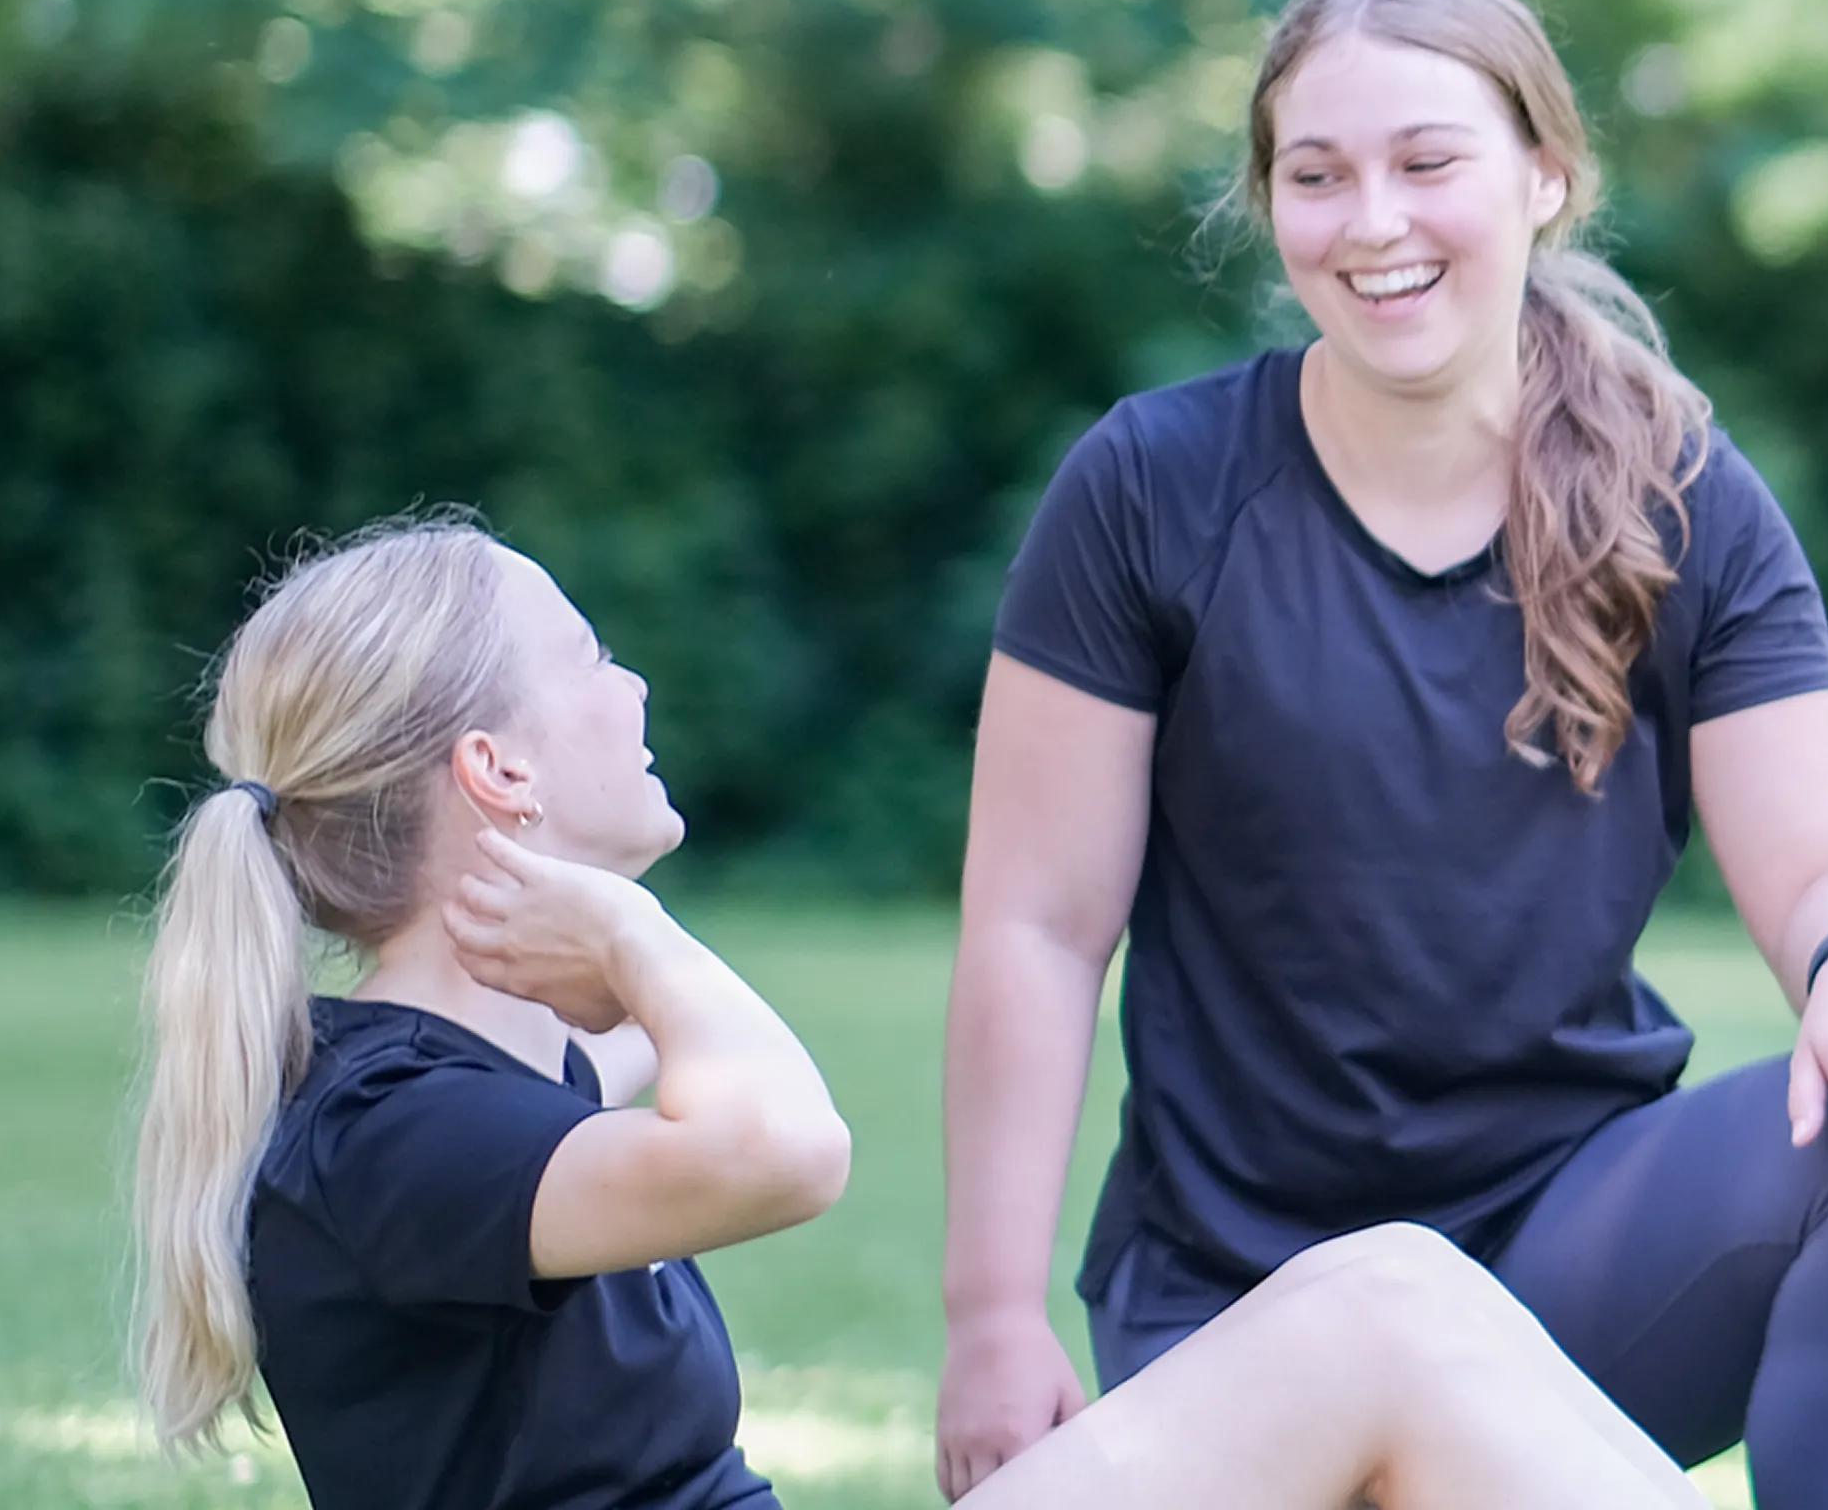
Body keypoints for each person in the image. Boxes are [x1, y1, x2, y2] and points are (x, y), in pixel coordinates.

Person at [935, 0, 1828, 1510]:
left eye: (1427, 161)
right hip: (1238, 1304)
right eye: (1317, 176)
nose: (1373, 221)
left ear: (1543, 174)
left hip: (1567, 1272)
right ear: (1271, 204)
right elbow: (1037, 925)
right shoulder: (1150, 490)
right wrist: (987, 1315)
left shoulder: (1683, 500)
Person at [129, 515, 1714, 1509]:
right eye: (591, 659)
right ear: (500, 773)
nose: (634, 692)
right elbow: (783, 1147)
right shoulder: (393, 1137)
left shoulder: (467, 1091)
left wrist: (608, 962)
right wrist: (629, 928)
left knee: (1385, 1334)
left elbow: (643, 1075)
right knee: (1383, 1312)